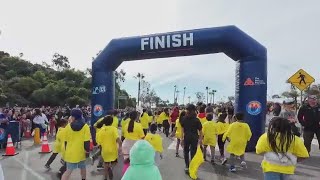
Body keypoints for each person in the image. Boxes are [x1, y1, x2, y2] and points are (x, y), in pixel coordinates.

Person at [61, 108, 91, 180]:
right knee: (83, 168)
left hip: (70, 153)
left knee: (68, 171)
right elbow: (87, 142)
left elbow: (65, 141)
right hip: (81, 152)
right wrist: (87, 152)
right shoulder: (85, 127)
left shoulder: (68, 126)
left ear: (73, 117)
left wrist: (65, 152)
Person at [96, 115, 122, 180]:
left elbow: (99, 143)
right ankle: (111, 168)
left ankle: (105, 177)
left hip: (104, 151)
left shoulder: (101, 130)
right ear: (112, 122)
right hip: (113, 150)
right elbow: (118, 140)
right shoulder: (114, 129)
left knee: (105, 164)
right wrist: (120, 147)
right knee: (114, 163)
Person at [180, 104, 203, 174]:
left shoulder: (183, 119)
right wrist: (200, 140)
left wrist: (181, 139)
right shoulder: (197, 120)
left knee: (186, 152)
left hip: (186, 137)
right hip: (194, 138)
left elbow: (182, 130)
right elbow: (201, 131)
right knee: (193, 153)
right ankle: (191, 167)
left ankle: (187, 166)